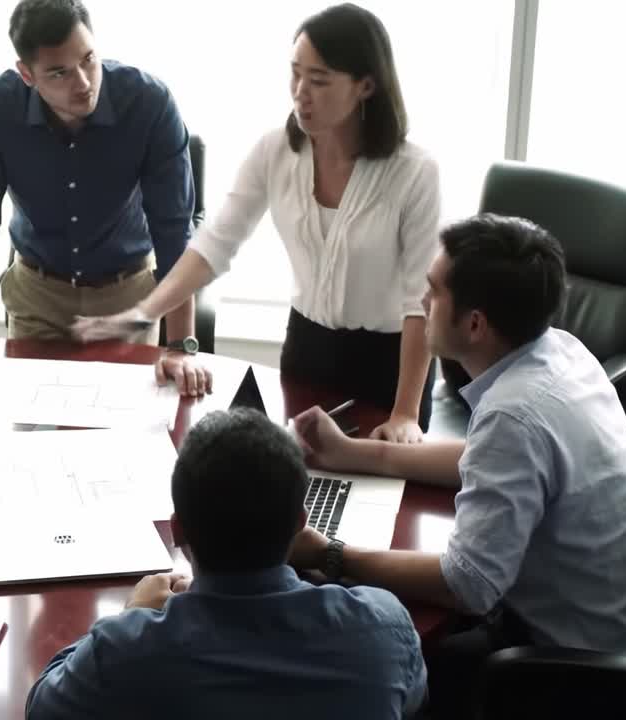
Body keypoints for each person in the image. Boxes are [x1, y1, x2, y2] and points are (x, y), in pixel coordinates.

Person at [290, 213, 626, 718]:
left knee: (386, 661)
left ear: (474, 323)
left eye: (433, 292)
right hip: (624, 631)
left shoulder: (515, 413)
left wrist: (328, 553)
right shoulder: (560, 351)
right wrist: (352, 453)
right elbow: (483, 459)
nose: (421, 303)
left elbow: (467, 586)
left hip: (584, 675)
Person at [75, 3, 439, 440]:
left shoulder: (415, 172)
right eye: (296, 73)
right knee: (300, 490)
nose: (301, 91)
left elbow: (420, 303)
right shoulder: (275, 152)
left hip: (389, 364)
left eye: (319, 80)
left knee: (381, 500)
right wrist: (143, 313)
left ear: (366, 86)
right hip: (307, 349)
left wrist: (406, 412)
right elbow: (214, 245)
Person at [25, 408, 425, 719]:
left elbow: (43, 708)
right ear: (301, 524)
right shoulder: (382, 628)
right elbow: (411, 697)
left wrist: (133, 613)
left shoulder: (127, 653)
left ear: (178, 530)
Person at [0, 0, 212, 397]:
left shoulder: (148, 103)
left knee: (123, 434)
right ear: (27, 74)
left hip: (126, 294)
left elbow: (173, 228)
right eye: (59, 72)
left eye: (88, 59)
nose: (82, 82)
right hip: (38, 293)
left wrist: (181, 347)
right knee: (30, 434)